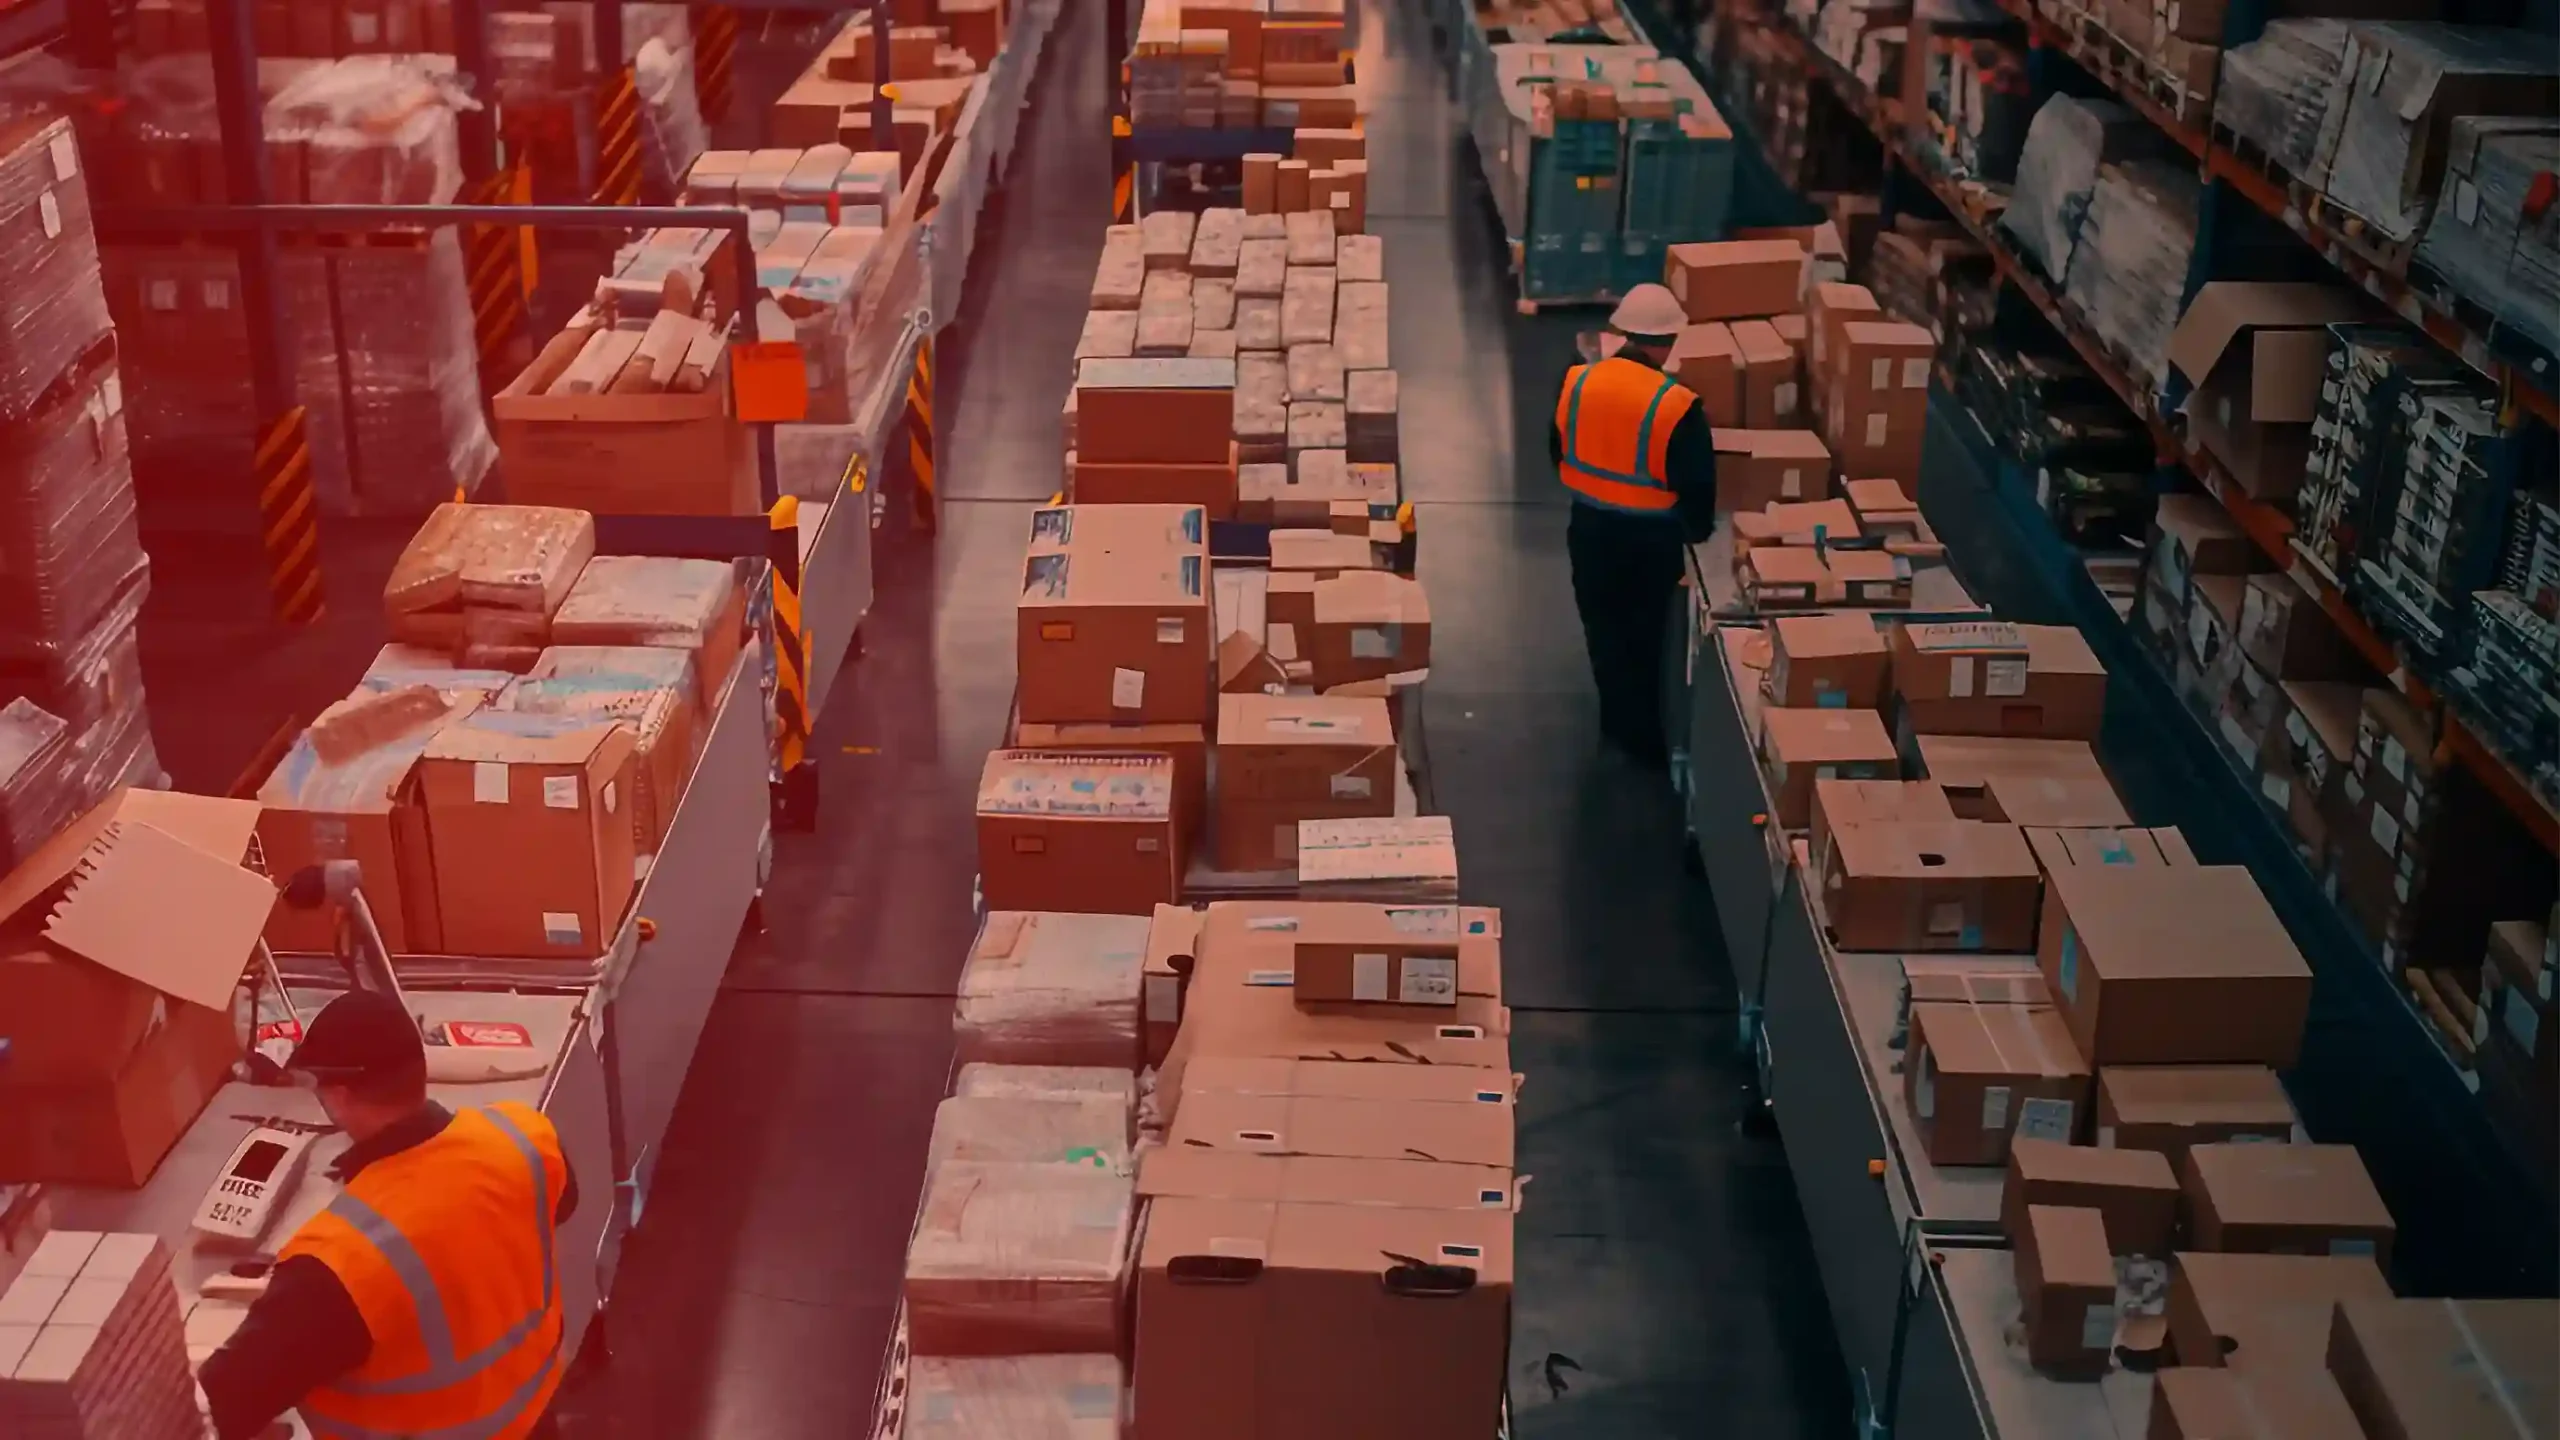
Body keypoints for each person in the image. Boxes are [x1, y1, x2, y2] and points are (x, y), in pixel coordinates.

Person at [199, 990, 577, 1440]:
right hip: (532, 1420)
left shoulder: (335, 1266)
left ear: (338, 1096)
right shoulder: (522, 1136)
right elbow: (556, 1207)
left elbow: (221, 1405)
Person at [1550, 282, 1720, 769]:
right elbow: (1696, 485)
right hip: (1650, 541)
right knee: (1646, 637)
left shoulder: (1577, 381)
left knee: (1602, 629)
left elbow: (1556, 448)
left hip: (1588, 529)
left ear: (1621, 332)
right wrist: (1695, 532)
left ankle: (1614, 722)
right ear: (1666, 342)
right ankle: (1647, 742)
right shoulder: (1677, 404)